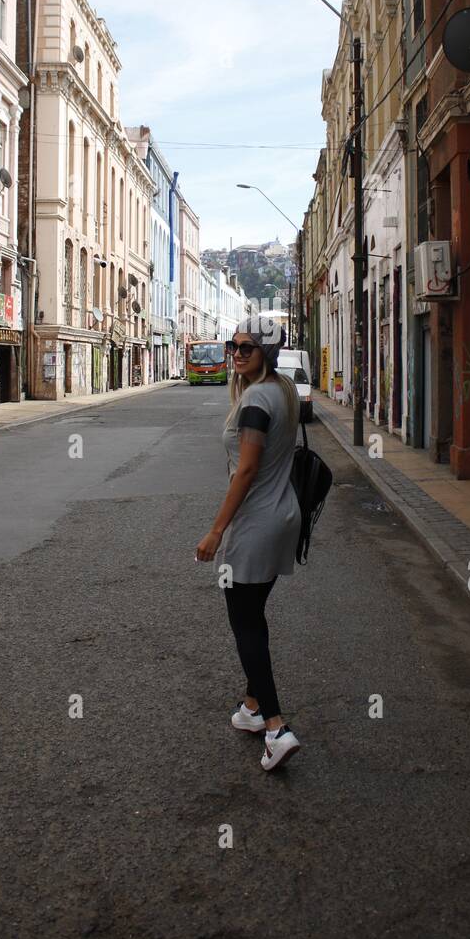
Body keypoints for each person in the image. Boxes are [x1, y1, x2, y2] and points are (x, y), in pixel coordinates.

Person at [196, 316, 302, 771]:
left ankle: (276, 726)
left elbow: (246, 470)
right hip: (283, 517)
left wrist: (217, 529)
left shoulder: (257, 399)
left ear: (267, 354)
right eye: (233, 346)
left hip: (256, 525)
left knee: (244, 623)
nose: (237, 354)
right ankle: (252, 709)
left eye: (248, 348)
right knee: (253, 615)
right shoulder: (282, 390)